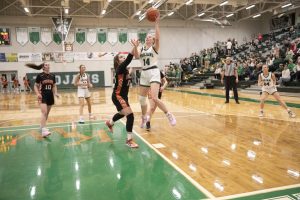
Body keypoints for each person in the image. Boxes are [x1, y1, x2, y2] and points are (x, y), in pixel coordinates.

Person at [134, 14, 176, 128]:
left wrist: (156, 23)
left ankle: (169, 114)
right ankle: (144, 118)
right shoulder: (141, 48)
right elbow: (137, 56)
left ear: (152, 41)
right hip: (144, 73)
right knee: (141, 99)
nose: (148, 38)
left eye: (150, 37)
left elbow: (158, 38)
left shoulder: (154, 48)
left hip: (153, 72)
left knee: (154, 97)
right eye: (147, 37)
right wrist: (134, 46)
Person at [105, 39, 139, 148]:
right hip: (118, 95)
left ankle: (110, 122)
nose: (123, 58)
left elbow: (128, 67)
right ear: (117, 61)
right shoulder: (119, 68)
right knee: (130, 116)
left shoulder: (125, 70)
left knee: (122, 113)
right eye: (120, 57)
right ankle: (129, 140)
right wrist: (134, 46)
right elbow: (129, 58)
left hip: (124, 96)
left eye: (123, 57)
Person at [26, 63, 59, 137]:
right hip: (42, 95)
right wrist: (38, 93)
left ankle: (42, 126)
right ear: (43, 67)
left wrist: (56, 93)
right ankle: (44, 130)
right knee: (44, 112)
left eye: (48, 64)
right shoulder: (40, 76)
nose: (48, 65)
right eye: (46, 65)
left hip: (50, 95)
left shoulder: (52, 76)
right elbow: (35, 86)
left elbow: (54, 85)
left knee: (46, 114)